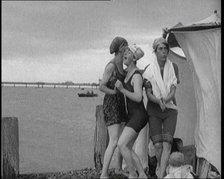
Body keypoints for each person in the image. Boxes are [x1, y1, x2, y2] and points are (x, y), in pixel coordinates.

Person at [143, 37, 180, 178]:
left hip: (170, 109)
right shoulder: (149, 70)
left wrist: (166, 100)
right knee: (157, 145)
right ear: (155, 51)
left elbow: (173, 89)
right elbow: (148, 92)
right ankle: (160, 166)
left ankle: (161, 175)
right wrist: (159, 102)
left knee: (167, 144)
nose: (164, 52)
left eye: (166, 49)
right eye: (160, 49)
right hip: (154, 109)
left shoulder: (174, 67)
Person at [115, 44, 148, 178]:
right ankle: (141, 174)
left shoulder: (136, 76)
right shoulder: (127, 73)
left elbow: (139, 97)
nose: (125, 54)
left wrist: (123, 89)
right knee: (127, 147)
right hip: (133, 115)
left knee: (121, 144)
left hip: (139, 115)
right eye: (124, 52)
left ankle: (133, 174)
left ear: (134, 58)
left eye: (128, 52)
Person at [99, 36, 128, 178]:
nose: (127, 49)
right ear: (121, 48)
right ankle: (104, 174)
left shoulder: (123, 64)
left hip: (121, 103)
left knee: (121, 139)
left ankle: (118, 168)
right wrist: (115, 92)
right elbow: (101, 86)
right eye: (126, 46)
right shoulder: (111, 66)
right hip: (111, 104)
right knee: (114, 140)